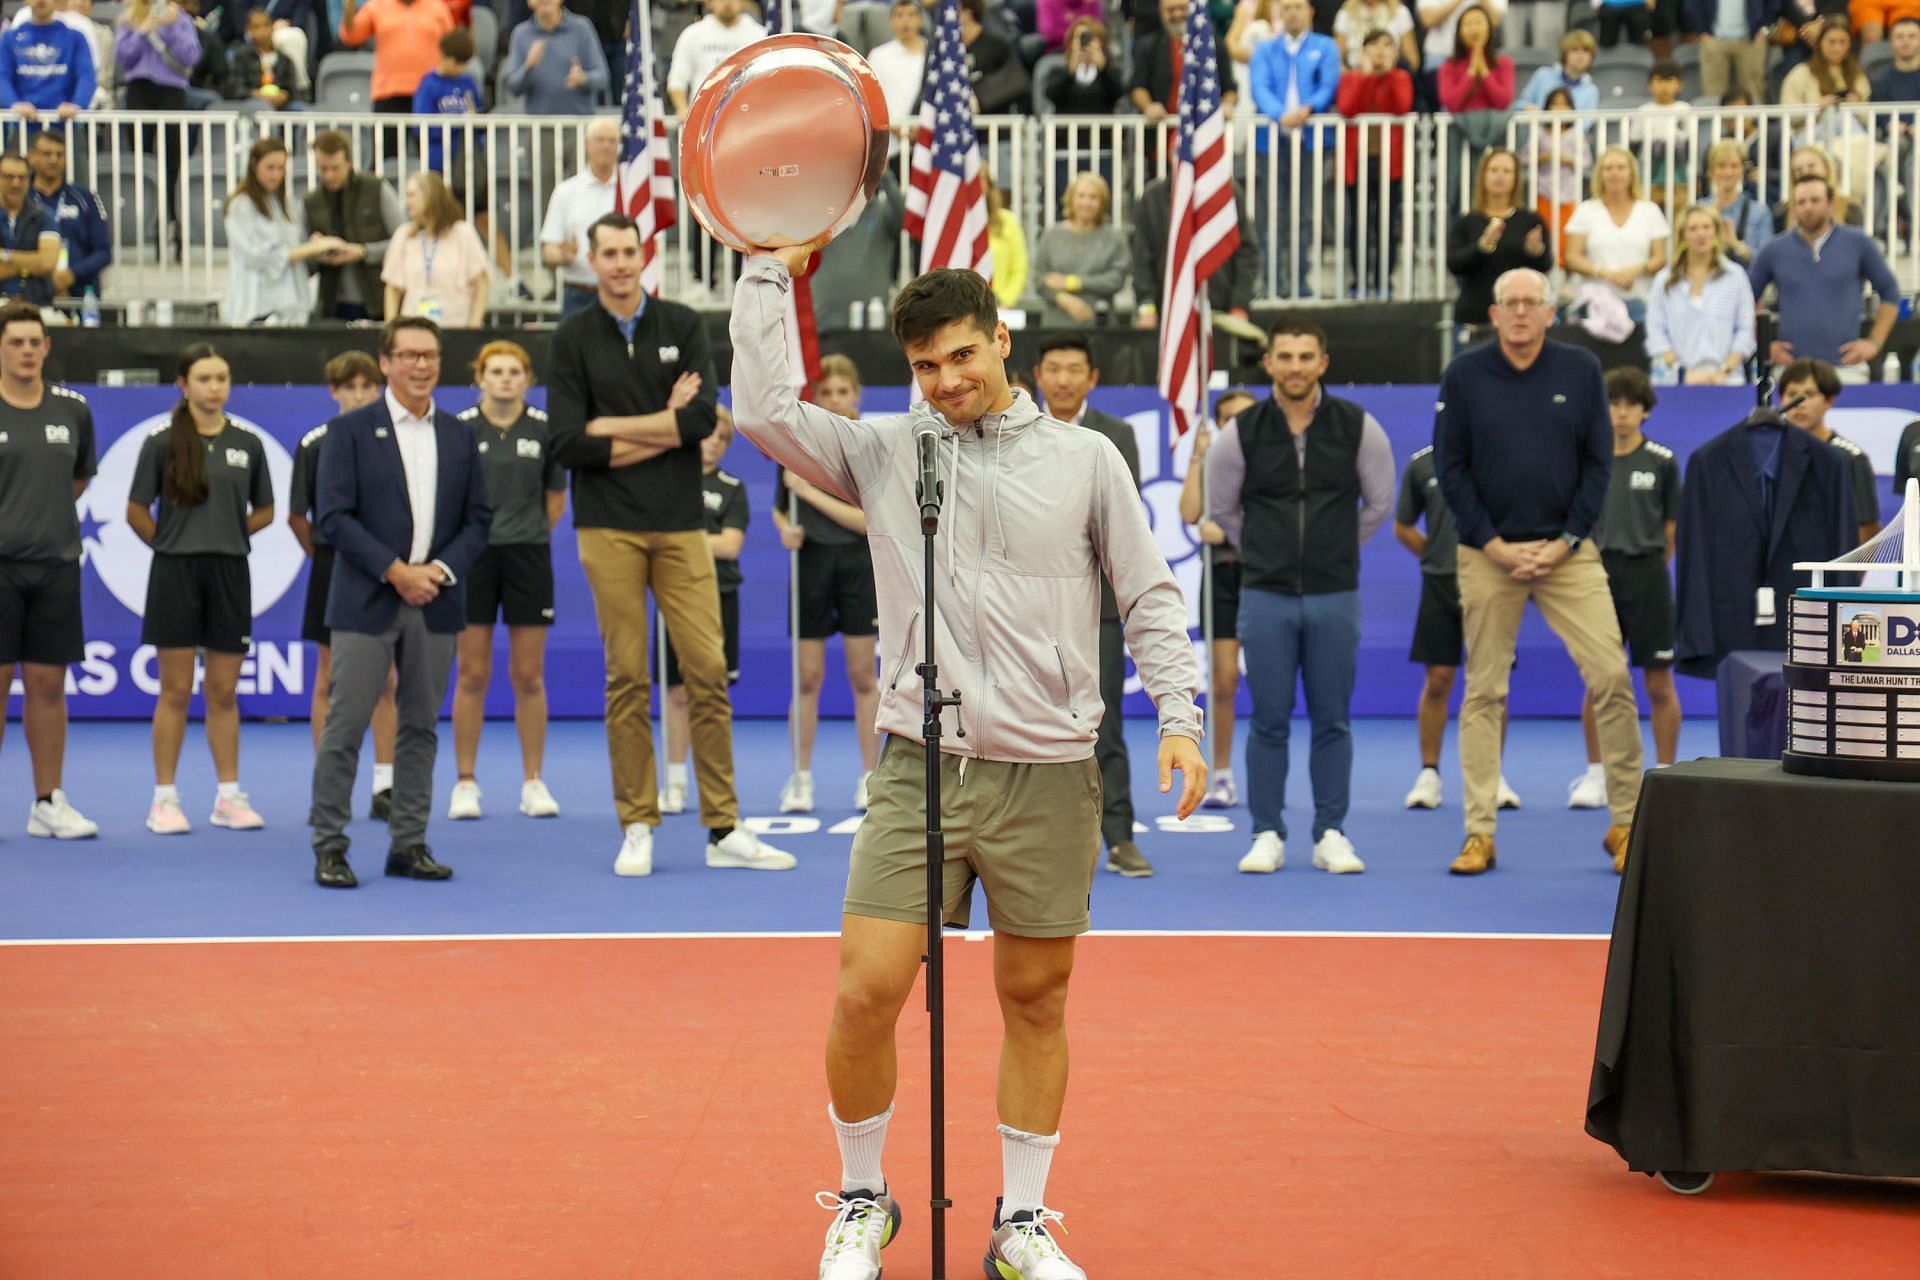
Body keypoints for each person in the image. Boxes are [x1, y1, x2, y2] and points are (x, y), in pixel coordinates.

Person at [731, 241, 1205, 1280]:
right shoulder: (891, 451)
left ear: (1004, 339)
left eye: (961, 355)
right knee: (866, 989)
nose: (947, 381)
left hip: (1049, 769)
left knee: (1036, 994)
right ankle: (863, 1199)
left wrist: (1180, 710)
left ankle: (1022, 1223)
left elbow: (1149, 594)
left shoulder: (1088, 460)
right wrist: (770, 272)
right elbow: (765, 410)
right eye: (927, 366)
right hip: (919, 761)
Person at [548, 212, 793, 876]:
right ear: (592, 262)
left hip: (683, 525)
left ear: (643, 256)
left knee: (707, 672)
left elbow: (697, 422)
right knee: (626, 677)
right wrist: (660, 425)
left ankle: (723, 828)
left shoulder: (683, 324)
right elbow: (569, 443)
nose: (621, 263)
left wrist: (616, 430)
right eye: (609, 254)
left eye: (631, 251)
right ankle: (637, 823)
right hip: (608, 529)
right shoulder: (571, 339)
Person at [1432, 266, 1644, 876]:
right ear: (1493, 314)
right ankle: (1478, 831)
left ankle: (1627, 822)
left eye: (1532, 302)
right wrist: (1494, 544)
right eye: (1510, 302)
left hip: (1568, 554)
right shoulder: (1465, 374)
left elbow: (1598, 465)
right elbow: (1452, 467)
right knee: (1484, 692)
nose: (1521, 312)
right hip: (1486, 554)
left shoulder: (1581, 370)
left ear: (1552, 313)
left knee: (1611, 677)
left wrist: (1566, 540)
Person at [309, 317, 492, 889]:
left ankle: (408, 844)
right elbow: (333, 517)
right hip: (366, 599)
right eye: (409, 355)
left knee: (420, 726)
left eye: (430, 355)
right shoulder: (349, 432)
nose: (420, 365)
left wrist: (435, 572)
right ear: (384, 362)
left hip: (436, 600)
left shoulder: (461, 434)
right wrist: (395, 572)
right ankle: (330, 845)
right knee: (346, 725)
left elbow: (479, 519)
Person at [1208, 320, 1392, 877]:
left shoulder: (1359, 426)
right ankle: (1267, 832)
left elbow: (1379, 504)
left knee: (1333, 720)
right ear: (1268, 364)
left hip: (1336, 595)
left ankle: (1330, 832)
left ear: (1323, 363)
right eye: (1284, 356)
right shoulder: (1240, 433)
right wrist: (1268, 552)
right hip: (1265, 596)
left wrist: (1330, 550)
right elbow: (1223, 510)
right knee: (1268, 720)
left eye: (1305, 356)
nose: (1294, 366)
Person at [126, 345, 274, 835]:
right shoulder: (160, 442)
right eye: (205, 378)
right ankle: (163, 799)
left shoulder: (248, 443)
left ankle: (228, 796)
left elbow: (265, 511)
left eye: (223, 378)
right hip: (175, 574)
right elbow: (135, 511)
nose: (215, 387)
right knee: (174, 689)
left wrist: (227, 537)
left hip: (231, 572)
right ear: (183, 385)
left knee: (224, 690)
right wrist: (173, 545)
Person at [1034, 335, 1157, 876]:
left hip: (1098, 606)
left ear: (1093, 377)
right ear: (1037, 374)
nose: (1063, 379)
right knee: (1026, 725)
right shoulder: (1011, 427)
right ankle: (1037, 841)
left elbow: (1110, 517)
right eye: (1054, 369)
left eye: (1074, 369)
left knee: (1102, 724)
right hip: (1026, 603)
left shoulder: (1116, 436)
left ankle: (1120, 836)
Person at [448, 341, 566, 821]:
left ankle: (534, 782)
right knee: (473, 674)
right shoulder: (456, 430)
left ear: (527, 378)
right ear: (479, 377)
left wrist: (526, 535)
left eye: (513, 371)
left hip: (528, 558)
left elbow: (554, 499)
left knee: (528, 676)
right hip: (473, 561)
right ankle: (465, 782)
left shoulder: (545, 429)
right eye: (494, 371)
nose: (504, 378)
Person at [0, 302, 97, 841]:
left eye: (35, 342)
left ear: (47, 347)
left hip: (57, 566)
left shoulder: (73, 411)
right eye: (16, 342)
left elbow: (77, 480)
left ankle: (47, 802)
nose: (27, 351)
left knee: (47, 686)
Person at [288, 350, 397, 823]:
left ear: (380, 388)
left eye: (367, 386)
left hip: (391, 569)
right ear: (333, 392)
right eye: (349, 387)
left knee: (387, 679)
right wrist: (329, 558)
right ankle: (328, 783)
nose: (359, 395)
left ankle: (386, 782)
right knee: (328, 677)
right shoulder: (315, 443)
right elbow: (298, 516)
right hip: (333, 567)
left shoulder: (399, 440)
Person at [1565, 367, 1680, 809]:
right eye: (1613, 404)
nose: (1622, 413)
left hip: (1648, 575)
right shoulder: (1587, 464)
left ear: (1645, 411)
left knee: (1658, 683)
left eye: (1631, 404)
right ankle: (1597, 775)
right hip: (1596, 575)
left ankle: (1668, 776)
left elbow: (1670, 529)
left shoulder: (1663, 462)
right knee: (1601, 679)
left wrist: (1649, 566)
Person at [772, 356, 881, 816]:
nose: (835, 400)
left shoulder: (871, 447)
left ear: (856, 396)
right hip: (811, 566)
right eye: (826, 393)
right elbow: (782, 504)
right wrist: (786, 527)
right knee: (808, 678)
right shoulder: (800, 445)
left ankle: (871, 777)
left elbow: (866, 522)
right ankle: (800, 777)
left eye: (843, 391)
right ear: (814, 398)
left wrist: (807, 492)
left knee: (862, 677)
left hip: (859, 567)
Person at [1393, 440, 1521, 812]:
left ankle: (1493, 776)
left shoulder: (1504, 459)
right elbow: (1403, 528)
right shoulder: (1421, 464)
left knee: (1492, 682)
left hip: (1492, 583)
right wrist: (1436, 555)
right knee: (1438, 679)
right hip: (1440, 583)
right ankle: (1429, 774)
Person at [661, 405, 747, 817]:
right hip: (674, 595)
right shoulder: (668, 484)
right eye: (706, 433)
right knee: (677, 691)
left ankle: (715, 786)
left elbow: (730, 546)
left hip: (720, 594)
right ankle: (674, 780)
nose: (712, 442)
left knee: (714, 690)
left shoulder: (732, 488)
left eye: (721, 437)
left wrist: (681, 543)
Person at [1750, 173, 1900, 384]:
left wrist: (1874, 342)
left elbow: (1890, 293)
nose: (1807, 207)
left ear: (1831, 204)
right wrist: (1765, 345)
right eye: (1801, 202)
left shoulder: (1858, 243)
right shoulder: (1774, 249)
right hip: (1791, 371)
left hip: (1846, 369)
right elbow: (1744, 300)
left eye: (1815, 200)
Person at [1182, 389, 1255, 808]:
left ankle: (1263, 774)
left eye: (1245, 417)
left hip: (1266, 579)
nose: (1236, 426)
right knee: (1224, 680)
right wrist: (1198, 456)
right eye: (1227, 418)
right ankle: (1223, 774)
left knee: (1267, 681)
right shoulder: (1214, 462)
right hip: (1223, 578)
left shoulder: (1274, 461)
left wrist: (1228, 531)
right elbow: (1190, 512)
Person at [1249, 0, 1340, 298]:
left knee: (1305, 212)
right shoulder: (1265, 49)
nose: (1292, 12)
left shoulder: (1326, 47)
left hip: (1311, 140)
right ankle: (1272, 279)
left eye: (1298, 6)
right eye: (1286, 7)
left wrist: (1308, 109)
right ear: (1279, 13)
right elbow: (1259, 87)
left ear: (1310, 11)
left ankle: (1300, 280)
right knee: (1272, 213)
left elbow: (1328, 85)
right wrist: (1280, 114)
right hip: (1271, 142)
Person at [224, 137, 336, 325]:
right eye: (270, 168)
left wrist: (314, 246)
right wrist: (306, 250)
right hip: (256, 304)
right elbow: (256, 256)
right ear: (254, 165)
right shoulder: (240, 206)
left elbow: (299, 245)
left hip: (292, 304)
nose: (276, 175)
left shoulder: (289, 205)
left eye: (281, 168)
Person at [1335, 27, 1411, 298]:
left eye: (1387, 45)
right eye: (1374, 46)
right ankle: (1359, 280)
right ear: (1362, 51)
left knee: (1387, 223)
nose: (1380, 51)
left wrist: (1388, 73)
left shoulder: (1400, 77)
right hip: (1358, 162)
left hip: (1390, 163)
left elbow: (1402, 106)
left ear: (1396, 52)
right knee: (1358, 222)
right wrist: (1366, 76)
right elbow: (1347, 108)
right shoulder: (1353, 77)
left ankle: (1383, 280)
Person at [1645, 203, 1757, 386]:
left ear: (1716, 232)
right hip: (1674, 383)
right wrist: (1684, 373)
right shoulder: (1663, 280)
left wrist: (1725, 370)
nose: (1701, 234)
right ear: (1682, 235)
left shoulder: (1735, 276)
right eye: (1693, 228)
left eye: (1707, 227)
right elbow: (1656, 333)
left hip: (1727, 381)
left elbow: (1746, 330)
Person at [301, 130, 404, 323]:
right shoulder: (311, 202)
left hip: (378, 299)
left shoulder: (376, 188)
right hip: (333, 305)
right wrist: (315, 251)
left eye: (335, 168)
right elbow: (307, 264)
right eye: (323, 169)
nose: (329, 175)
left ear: (349, 163)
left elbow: (403, 241)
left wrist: (364, 252)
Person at [1446, 147, 1551, 333]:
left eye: (1506, 171)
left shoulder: (1531, 221)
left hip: (1521, 321)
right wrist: (1482, 246)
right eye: (1494, 170)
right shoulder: (1466, 222)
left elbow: (1545, 266)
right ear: (1483, 176)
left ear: (1516, 179)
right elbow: (1454, 264)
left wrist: (1536, 252)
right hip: (1475, 319)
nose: (1499, 176)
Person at [1564, 146, 1670, 327]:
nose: (1615, 173)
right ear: (1600, 175)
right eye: (1608, 168)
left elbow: (1660, 258)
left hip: (1641, 302)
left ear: (1631, 174)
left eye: (1621, 168)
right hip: (1596, 304)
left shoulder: (1649, 211)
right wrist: (1605, 273)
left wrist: (1636, 271)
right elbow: (1572, 257)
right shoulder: (1586, 210)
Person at [1781, 356, 1882, 543]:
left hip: (1830, 568)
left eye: (1809, 395)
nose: (1799, 404)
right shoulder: (1771, 456)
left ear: (1829, 400)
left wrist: (1847, 572)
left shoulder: (1851, 458)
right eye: (1791, 394)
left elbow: (1868, 528)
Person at [381, 170, 490, 328]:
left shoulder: (462, 233)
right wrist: (390, 328)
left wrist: (473, 326)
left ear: (430, 195)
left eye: (412, 195)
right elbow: (392, 288)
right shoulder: (404, 235)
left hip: (456, 326)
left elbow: (481, 284)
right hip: (413, 329)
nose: (407, 202)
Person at [539, 115, 619, 318]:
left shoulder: (633, 193)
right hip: (578, 294)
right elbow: (548, 248)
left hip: (623, 294)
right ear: (586, 144)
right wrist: (562, 256)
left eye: (612, 141)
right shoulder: (566, 191)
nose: (606, 146)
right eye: (600, 140)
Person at [1028, 173, 1128, 326]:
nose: (1086, 202)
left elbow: (1116, 279)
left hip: (1101, 326)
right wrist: (1064, 299)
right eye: (1081, 196)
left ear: (1102, 202)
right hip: (1056, 326)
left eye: (1093, 197)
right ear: (1071, 199)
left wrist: (1074, 283)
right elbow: (1039, 279)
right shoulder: (1052, 235)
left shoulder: (1114, 238)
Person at [26, 131, 108, 303]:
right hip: (31, 294)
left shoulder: (86, 198)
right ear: (32, 156)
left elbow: (103, 252)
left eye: (60, 154)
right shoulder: (22, 199)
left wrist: (71, 274)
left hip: (81, 293)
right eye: (47, 154)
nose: (54, 160)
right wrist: (49, 280)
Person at [338, 0, 454, 114]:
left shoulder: (438, 7)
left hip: (431, 92)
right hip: (387, 93)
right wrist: (349, 9)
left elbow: (452, 48)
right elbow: (351, 37)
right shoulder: (376, 5)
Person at [0, 0, 96, 128]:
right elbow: (2, 76)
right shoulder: (9, 38)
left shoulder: (75, 38)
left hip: (66, 124)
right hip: (22, 125)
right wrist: (13, 103)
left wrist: (77, 104)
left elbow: (86, 75)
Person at [504, 0, 608, 115]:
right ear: (529, 2)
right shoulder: (521, 34)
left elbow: (603, 77)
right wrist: (528, 67)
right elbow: (513, 88)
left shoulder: (582, 28)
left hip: (578, 125)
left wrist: (583, 78)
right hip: (537, 126)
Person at [665, 0, 766, 115]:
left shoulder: (760, 35)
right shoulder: (692, 34)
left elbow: (769, 80)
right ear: (709, 2)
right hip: (703, 117)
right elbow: (677, 81)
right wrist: (683, 109)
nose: (728, 3)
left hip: (748, 115)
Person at [1529, 87, 1588, 262]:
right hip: (1545, 191)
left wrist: (1569, 159)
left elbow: (1586, 161)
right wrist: (1542, 158)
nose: (1560, 109)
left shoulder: (1575, 134)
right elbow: (1526, 157)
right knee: (1546, 230)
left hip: (1569, 192)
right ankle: (1547, 264)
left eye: (1565, 105)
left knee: (1566, 233)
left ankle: (1566, 268)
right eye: (1555, 104)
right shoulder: (1540, 134)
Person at [113, 0, 200, 114]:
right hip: (139, 87)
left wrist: (173, 26)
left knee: (172, 130)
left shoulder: (182, 20)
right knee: (138, 131)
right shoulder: (129, 19)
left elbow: (190, 57)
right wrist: (142, 31)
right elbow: (122, 57)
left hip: (172, 87)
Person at [0, 153, 61, 307]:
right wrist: (30, 266)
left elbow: (47, 263)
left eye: (22, 177)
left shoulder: (43, 215)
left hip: (35, 306)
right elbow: (40, 264)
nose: (16, 183)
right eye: (8, 177)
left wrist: (5, 255)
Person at [1704, 138, 1770, 269]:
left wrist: (1736, 245)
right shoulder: (1699, 209)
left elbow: (1766, 262)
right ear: (1712, 171)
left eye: (1734, 166)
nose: (1728, 172)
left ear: (1742, 171)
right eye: (1721, 166)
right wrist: (1714, 212)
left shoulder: (1759, 212)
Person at [1690, 0, 1773, 103]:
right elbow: (1692, 4)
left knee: (1753, 91)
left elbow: (1775, 4)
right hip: (1713, 39)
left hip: (1751, 40)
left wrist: (1764, 28)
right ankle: (1714, 119)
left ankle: (1753, 119)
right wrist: (1701, 30)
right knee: (1713, 93)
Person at [1043, 16, 1125, 112]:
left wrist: (1103, 69)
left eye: (1090, 38)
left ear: (1101, 43)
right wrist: (1070, 72)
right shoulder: (1057, 72)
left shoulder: (1112, 72)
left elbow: (1118, 93)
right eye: (1079, 38)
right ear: (1071, 44)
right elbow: (1051, 95)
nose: (1084, 43)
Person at [1638, 62, 1692, 207]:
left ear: (1679, 85)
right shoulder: (1643, 111)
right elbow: (1635, 145)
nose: (1664, 86)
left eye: (1669, 80)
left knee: (1679, 215)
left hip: (1679, 178)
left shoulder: (1685, 109)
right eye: (1659, 81)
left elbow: (1690, 146)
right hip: (1650, 177)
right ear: (1649, 86)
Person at [866, 0, 926, 128]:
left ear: (921, 20)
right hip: (892, 136)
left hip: (927, 137)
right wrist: (894, 126)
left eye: (911, 15)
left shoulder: (933, 54)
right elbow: (872, 98)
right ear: (891, 21)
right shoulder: (878, 56)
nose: (905, 20)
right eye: (899, 15)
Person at [230, 6, 306, 109]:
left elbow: (292, 89)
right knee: (263, 107)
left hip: (281, 105)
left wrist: (284, 95)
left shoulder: (284, 59)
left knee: (301, 108)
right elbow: (236, 89)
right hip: (252, 103)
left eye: (267, 25)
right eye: (257, 27)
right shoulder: (241, 56)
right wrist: (258, 95)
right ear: (249, 30)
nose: (263, 31)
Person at [1515, 28, 1597, 111]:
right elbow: (1519, 105)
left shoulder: (1591, 90)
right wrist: (1527, 107)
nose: (1580, 55)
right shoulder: (1543, 75)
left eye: (1586, 50)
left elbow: (1586, 122)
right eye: (1575, 49)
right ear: (1565, 53)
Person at [984, 167, 1028, 309]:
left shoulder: (1008, 221)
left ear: (989, 185)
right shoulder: (953, 225)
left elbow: (1019, 268)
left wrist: (1006, 302)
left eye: (981, 179)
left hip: (1000, 303)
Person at [1330, 0, 1419, 68]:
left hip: (1391, 74)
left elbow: (1413, 60)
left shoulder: (1400, 12)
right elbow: (1336, 59)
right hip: (1356, 74)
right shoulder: (1346, 13)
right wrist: (1351, 78)